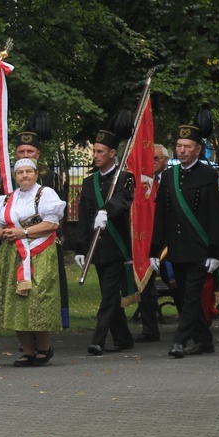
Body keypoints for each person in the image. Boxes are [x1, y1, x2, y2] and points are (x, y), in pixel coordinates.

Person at [150, 105, 219, 358]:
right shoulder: (170, 175)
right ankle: (205, 341)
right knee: (182, 297)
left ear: (198, 150)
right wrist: (154, 249)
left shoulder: (208, 174)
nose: (182, 151)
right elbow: (161, 214)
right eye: (179, 146)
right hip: (176, 248)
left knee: (192, 296)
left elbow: (216, 215)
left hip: (200, 248)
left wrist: (215, 251)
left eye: (187, 147)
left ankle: (180, 342)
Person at [0, 159, 66, 366]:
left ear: (36, 173)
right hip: (13, 252)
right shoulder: (7, 199)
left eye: (28, 171)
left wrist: (22, 232)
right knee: (15, 299)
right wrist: (3, 234)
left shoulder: (46, 194)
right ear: (15, 176)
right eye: (20, 172)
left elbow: (51, 224)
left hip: (39, 252)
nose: (24, 175)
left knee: (38, 298)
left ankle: (43, 347)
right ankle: (28, 349)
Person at [75, 112, 135, 356]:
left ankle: (98, 340)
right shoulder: (89, 182)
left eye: (101, 152)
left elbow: (124, 200)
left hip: (117, 245)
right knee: (109, 294)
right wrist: (80, 247)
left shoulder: (125, 178)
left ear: (112, 153)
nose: (96, 155)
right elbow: (83, 217)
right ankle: (124, 338)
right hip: (96, 247)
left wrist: (107, 210)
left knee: (110, 296)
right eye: (95, 151)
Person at [134, 144, 170, 343]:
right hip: (147, 241)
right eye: (150, 158)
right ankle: (149, 329)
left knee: (181, 286)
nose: (153, 162)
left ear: (165, 160)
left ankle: (191, 328)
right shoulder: (142, 182)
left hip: (171, 241)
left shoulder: (173, 179)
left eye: (156, 158)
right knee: (145, 287)